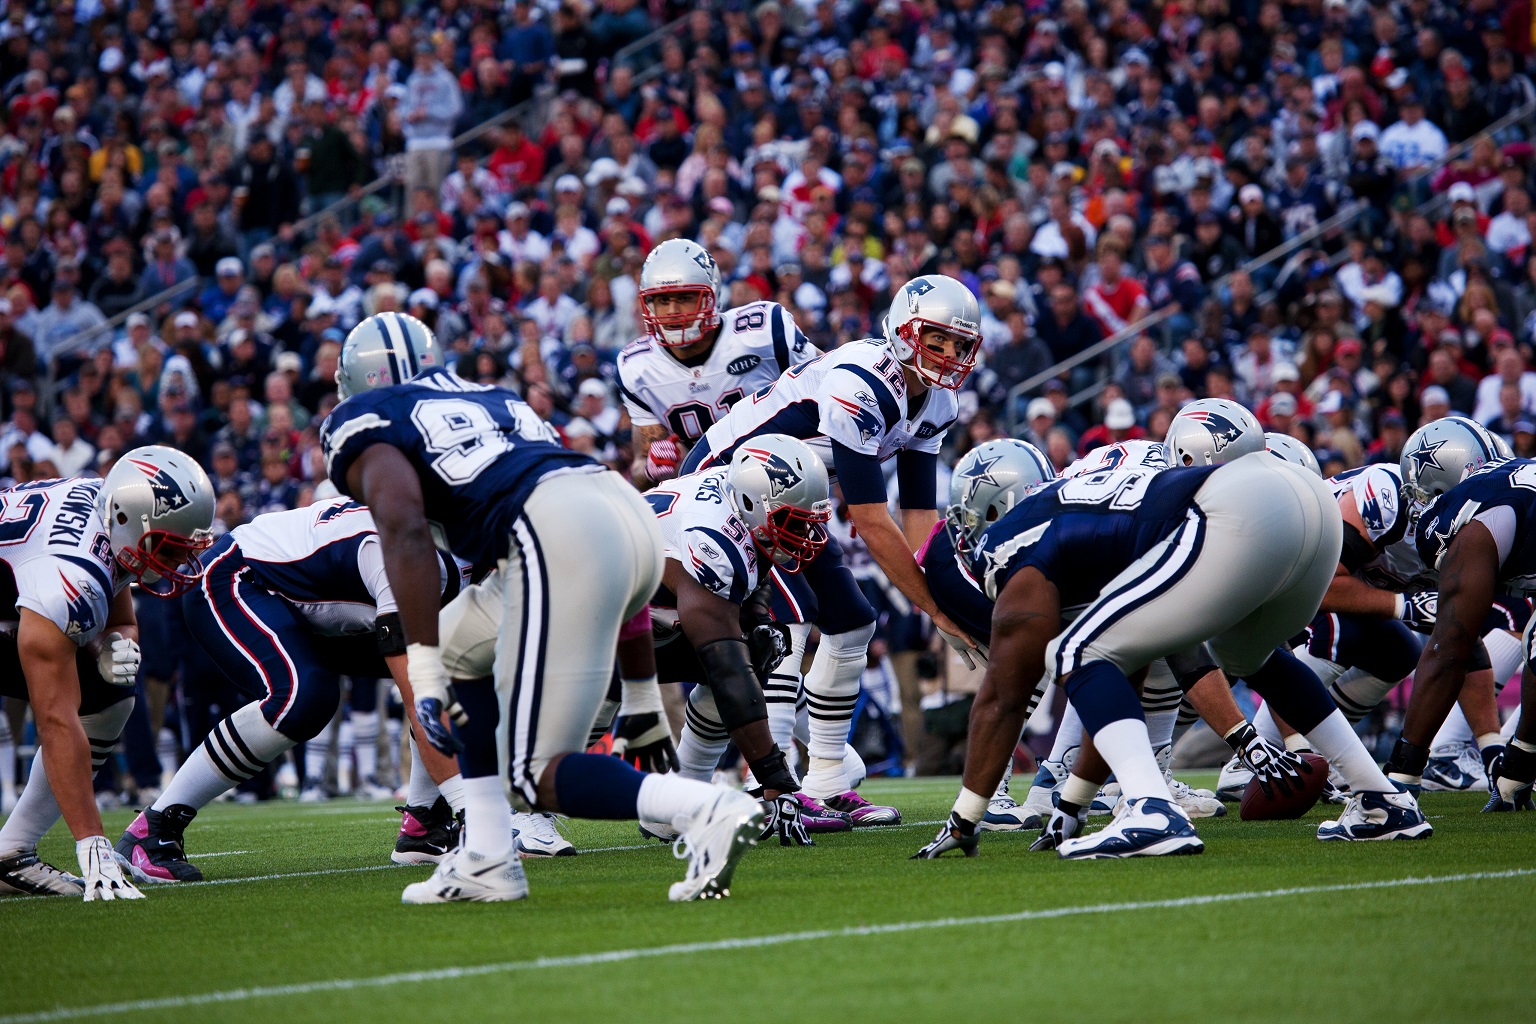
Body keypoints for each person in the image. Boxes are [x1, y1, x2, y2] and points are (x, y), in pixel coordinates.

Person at [322, 313, 762, 903]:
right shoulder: (496, 400)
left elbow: (402, 531)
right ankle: (487, 855)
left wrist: (417, 667)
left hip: (552, 530)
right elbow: (599, 534)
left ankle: (706, 807)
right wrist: (637, 695)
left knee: (534, 774)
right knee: (458, 646)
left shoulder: (365, 419)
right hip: (624, 510)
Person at [914, 448, 1428, 860]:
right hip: (1309, 498)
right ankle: (1380, 798)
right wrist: (1073, 804)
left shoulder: (1006, 545)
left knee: (1073, 651)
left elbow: (1004, 696)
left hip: (1238, 506)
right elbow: (1131, 665)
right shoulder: (1081, 515)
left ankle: (1150, 809)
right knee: (1250, 654)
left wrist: (963, 818)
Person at [679, 275, 986, 798]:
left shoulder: (935, 403)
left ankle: (824, 780)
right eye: (935, 339)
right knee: (787, 626)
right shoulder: (861, 381)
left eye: (959, 344)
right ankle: (771, 789)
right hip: (730, 484)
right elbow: (869, 519)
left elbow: (917, 516)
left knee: (852, 623)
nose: (947, 354)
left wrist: (948, 592)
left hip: (793, 499)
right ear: (902, 331)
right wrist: (935, 610)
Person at [113, 496, 470, 883]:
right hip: (237, 576)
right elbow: (421, 698)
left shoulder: (480, 553)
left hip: (312, 600)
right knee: (303, 698)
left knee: (460, 665)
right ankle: (154, 828)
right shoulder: (404, 554)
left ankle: (425, 825)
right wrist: (475, 811)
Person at [641, 436, 894, 841]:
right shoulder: (716, 539)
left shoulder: (739, 500)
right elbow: (726, 670)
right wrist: (778, 784)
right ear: (751, 506)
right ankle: (525, 814)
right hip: (580, 601)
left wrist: (756, 621)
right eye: (793, 521)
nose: (806, 532)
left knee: (758, 645)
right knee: (594, 703)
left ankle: (675, 801)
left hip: (639, 594)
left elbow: (751, 578)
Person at [0, 446, 215, 900]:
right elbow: (55, 720)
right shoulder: (73, 577)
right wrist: (91, 843)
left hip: (24, 599)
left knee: (111, 693)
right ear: (128, 520)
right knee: (74, 707)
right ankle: (26, 848)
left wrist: (116, 644)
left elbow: (119, 615)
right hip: (33, 599)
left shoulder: (107, 507)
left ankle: (12, 849)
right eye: (171, 548)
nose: (178, 563)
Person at [1383, 420, 1536, 809]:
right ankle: (1516, 772)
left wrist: (1402, 772)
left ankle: (1393, 798)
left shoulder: (1470, 509)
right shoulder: (1516, 478)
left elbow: (1451, 645)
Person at [619, 238, 818, 486]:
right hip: (708, 494)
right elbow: (641, 464)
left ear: (711, 297)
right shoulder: (638, 368)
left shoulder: (763, 332)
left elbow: (829, 381)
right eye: (662, 300)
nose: (671, 311)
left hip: (788, 474)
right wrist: (652, 468)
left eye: (684, 298)